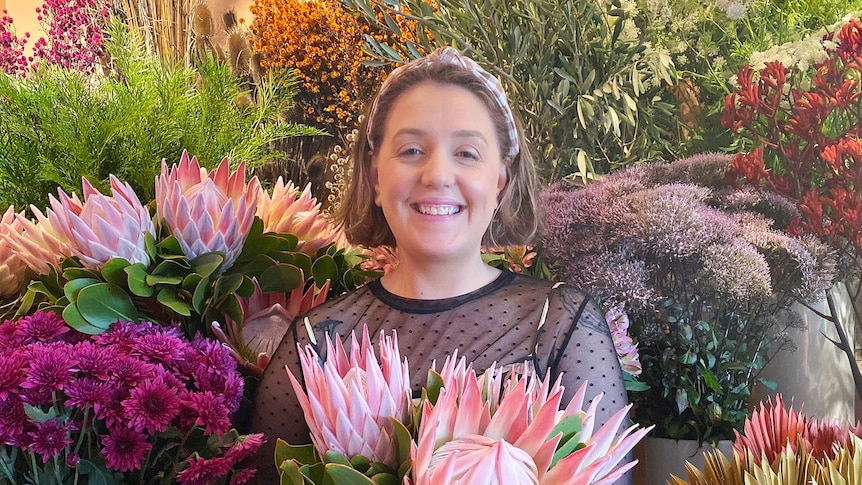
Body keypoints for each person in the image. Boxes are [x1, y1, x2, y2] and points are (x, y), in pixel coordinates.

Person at [247, 47, 631, 483]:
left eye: (466, 153)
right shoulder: (315, 343)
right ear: (376, 178)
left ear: (500, 182)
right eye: (412, 150)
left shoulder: (561, 326)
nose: (437, 175)